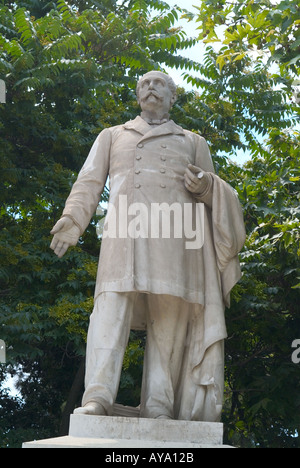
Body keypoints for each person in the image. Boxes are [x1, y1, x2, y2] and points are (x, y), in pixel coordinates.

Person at [50, 71, 246, 421]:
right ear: (137, 95)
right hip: (123, 237)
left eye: (159, 84)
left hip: (177, 242)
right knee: (108, 313)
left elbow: (215, 193)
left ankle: (158, 404)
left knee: (168, 321)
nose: (150, 88)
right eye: (144, 84)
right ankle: (97, 397)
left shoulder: (192, 141)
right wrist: (73, 220)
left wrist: (205, 187)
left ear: (172, 97)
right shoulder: (113, 136)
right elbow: (89, 182)